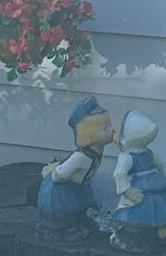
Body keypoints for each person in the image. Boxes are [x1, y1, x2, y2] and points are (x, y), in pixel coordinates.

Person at [37, 95, 113, 235]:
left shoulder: (95, 152)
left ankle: (81, 219)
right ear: (89, 134)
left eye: (110, 126)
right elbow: (59, 175)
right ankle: (62, 227)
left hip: (78, 185)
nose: (111, 131)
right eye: (105, 128)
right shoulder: (81, 157)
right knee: (67, 207)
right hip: (60, 189)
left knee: (86, 201)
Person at [111, 110, 166, 242]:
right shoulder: (141, 154)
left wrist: (128, 191)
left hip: (144, 186)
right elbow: (163, 163)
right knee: (148, 209)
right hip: (145, 186)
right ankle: (142, 230)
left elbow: (119, 173)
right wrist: (127, 190)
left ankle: (160, 229)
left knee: (153, 207)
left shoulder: (128, 157)